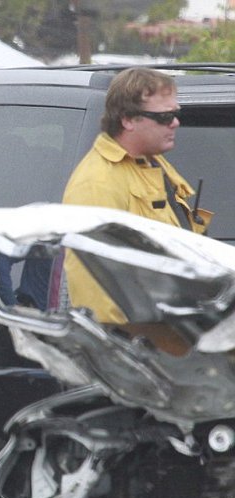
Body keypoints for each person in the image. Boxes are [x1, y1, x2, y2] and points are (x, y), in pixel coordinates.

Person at [63, 67, 212, 327]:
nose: (175, 122)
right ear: (128, 119)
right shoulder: (98, 182)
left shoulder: (152, 163)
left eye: (175, 114)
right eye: (165, 116)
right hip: (138, 345)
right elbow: (94, 285)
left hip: (175, 332)